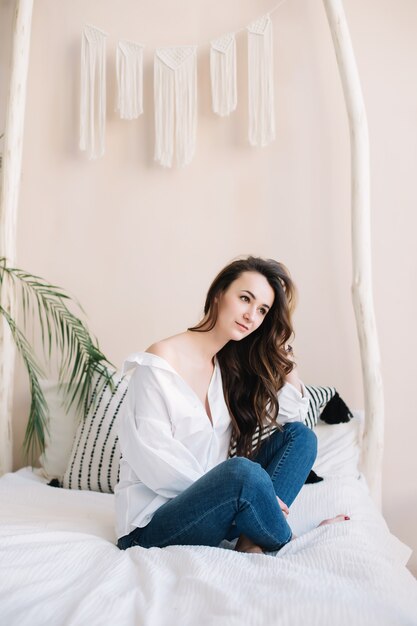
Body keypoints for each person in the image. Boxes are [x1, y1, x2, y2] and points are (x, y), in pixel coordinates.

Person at [115, 256, 349, 555]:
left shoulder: (227, 369)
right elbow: (154, 458)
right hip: (151, 526)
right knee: (242, 473)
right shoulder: (162, 360)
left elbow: (292, 418)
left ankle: (251, 541)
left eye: (262, 310)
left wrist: (288, 366)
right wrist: (255, 493)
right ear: (217, 295)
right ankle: (290, 540)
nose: (251, 315)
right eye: (244, 299)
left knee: (300, 438)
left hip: (218, 510)